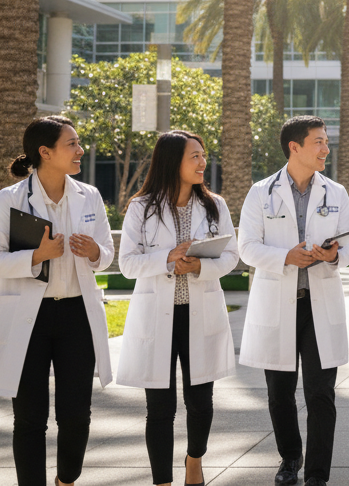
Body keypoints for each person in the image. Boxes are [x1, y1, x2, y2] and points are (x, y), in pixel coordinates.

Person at [0, 115, 114, 486]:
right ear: (45, 153)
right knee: (30, 417)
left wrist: (95, 250)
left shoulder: (90, 196)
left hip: (76, 316)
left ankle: (66, 479)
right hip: (27, 318)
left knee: (76, 414)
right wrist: (37, 255)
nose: (80, 150)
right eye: (72, 144)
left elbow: (108, 254)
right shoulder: (10, 199)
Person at [239, 116, 349, 486]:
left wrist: (334, 255)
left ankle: (318, 475)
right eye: (319, 142)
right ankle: (290, 458)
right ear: (295, 147)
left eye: (326, 142)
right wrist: (285, 257)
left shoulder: (335, 192)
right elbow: (247, 247)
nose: (326, 149)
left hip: (319, 303)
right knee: (279, 393)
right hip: (279, 302)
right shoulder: (261, 192)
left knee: (321, 393)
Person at [117, 131, 240, 486]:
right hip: (158, 317)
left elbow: (231, 255)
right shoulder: (142, 207)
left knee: (200, 401)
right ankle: (162, 481)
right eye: (195, 157)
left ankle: (194, 460)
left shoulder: (214, 204)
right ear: (173, 161)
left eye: (203, 156)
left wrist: (200, 266)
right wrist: (167, 258)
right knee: (160, 408)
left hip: (198, 314)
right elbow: (127, 263)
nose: (203, 163)